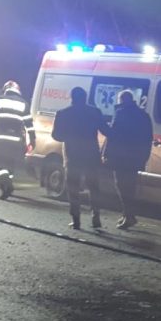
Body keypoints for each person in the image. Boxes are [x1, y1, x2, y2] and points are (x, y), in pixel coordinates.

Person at [52, 87, 108, 230]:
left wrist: (69, 136)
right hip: (91, 155)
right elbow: (106, 130)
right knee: (94, 187)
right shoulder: (95, 112)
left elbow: (56, 135)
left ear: (72, 97)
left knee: (73, 188)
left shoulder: (63, 113)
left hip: (73, 156)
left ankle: (76, 219)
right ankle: (96, 216)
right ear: (85, 97)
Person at [102, 90, 153, 229]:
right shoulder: (143, 115)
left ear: (121, 100)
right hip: (135, 157)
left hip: (121, 157)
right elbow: (148, 138)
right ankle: (127, 214)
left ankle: (129, 216)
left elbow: (113, 135)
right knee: (130, 186)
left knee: (122, 186)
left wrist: (105, 152)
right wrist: (144, 157)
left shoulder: (121, 113)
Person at [0, 80, 35, 200]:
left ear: (5, 89)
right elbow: (29, 124)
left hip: (0, 139)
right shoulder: (24, 104)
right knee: (10, 163)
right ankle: (8, 184)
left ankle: (7, 186)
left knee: (0, 164)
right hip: (16, 140)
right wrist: (32, 140)